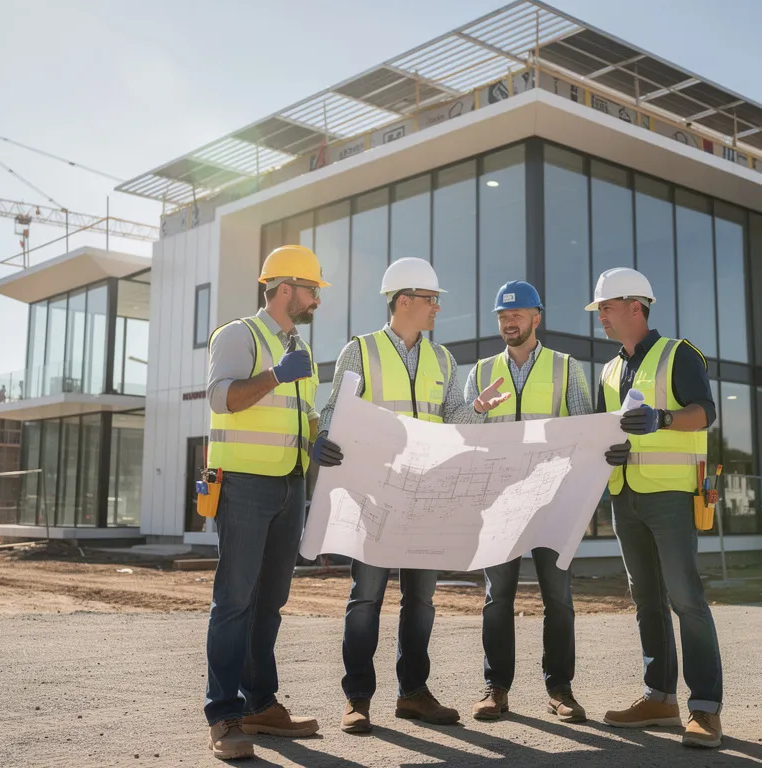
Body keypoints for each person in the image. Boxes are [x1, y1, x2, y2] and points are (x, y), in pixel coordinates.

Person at [313, 257, 474, 733]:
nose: (437, 309)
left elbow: (456, 421)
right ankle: (358, 698)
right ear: (404, 302)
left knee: (421, 600)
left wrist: (479, 410)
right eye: (432, 300)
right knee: (366, 597)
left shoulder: (443, 359)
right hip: (375, 497)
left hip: (427, 498)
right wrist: (324, 436)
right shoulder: (359, 352)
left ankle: (413, 694)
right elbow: (333, 411)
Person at [461, 280, 612, 724]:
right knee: (497, 597)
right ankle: (496, 689)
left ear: (536, 317)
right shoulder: (482, 371)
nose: (509, 321)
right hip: (501, 505)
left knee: (558, 598)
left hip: (554, 502)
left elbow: (586, 432)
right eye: (503, 316)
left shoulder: (566, 368)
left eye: (518, 314)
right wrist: (476, 410)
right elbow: (465, 436)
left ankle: (560, 689)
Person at [589, 267, 725, 749]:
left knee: (685, 598)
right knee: (645, 598)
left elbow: (705, 412)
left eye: (605, 307)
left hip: (670, 494)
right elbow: (608, 428)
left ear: (634, 307)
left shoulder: (678, 354)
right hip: (624, 494)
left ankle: (705, 709)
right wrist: (611, 447)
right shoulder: (608, 370)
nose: (600, 316)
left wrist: (663, 419)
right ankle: (660, 697)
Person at [201, 244, 328, 760]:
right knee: (235, 601)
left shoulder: (300, 346)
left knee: (270, 601)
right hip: (244, 484)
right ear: (284, 288)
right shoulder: (239, 335)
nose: (316, 298)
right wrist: (276, 374)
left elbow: (301, 417)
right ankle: (224, 716)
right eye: (312, 289)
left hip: (289, 482)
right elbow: (221, 398)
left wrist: (321, 439)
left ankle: (261, 703)